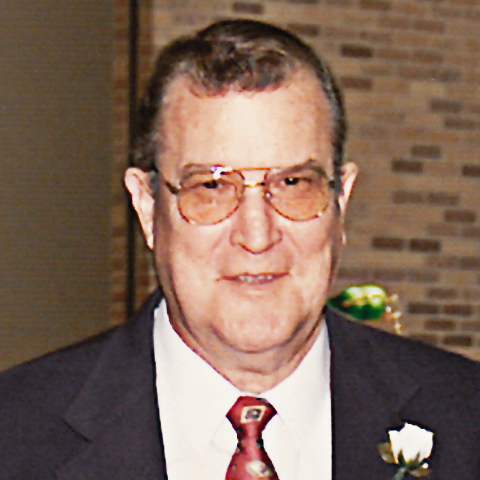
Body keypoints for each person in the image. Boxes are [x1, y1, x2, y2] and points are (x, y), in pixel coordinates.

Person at [1, 19, 479, 480]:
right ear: (147, 208)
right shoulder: (15, 435)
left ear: (341, 200)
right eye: (211, 187)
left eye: (293, 183)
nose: (256, 234)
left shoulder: (465, 421)